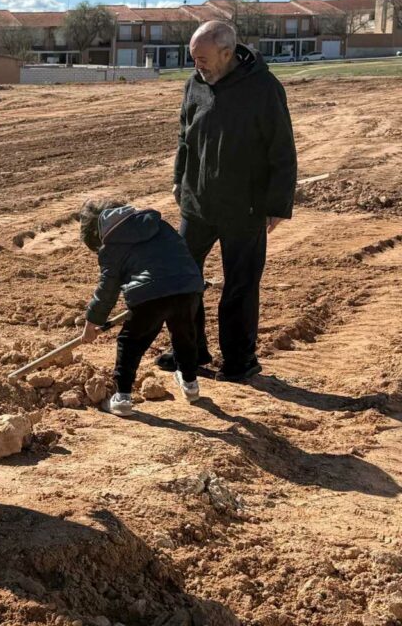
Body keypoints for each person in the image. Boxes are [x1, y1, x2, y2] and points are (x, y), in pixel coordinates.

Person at [159, 20, 297, 383]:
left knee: (239, 285)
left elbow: (282, 150)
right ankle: (189, 349)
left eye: (203, 58)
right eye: (193, 58)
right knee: (181, 278)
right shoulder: (195, 84)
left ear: (227, 53)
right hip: (197, 203)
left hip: (244, 207)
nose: (197, 65)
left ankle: (239, 360)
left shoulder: (263, 88)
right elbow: (184, 136)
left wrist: (276, 205)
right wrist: (179, 180)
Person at [78, 198, 205, 416]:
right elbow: (181, 252)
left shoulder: (112, 246)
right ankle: (191, 384)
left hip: (149, 295)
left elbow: (107, 289)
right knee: (185, 335)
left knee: (130, 342)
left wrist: (92, 322)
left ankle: (122, 397)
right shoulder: (157, 224)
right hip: (187, 288)